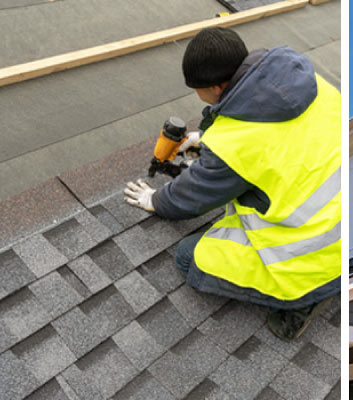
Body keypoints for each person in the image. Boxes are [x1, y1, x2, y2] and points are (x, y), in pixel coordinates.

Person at [124, 27, 340, 341]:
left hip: (311, 252)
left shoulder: (236, 146)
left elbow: (189, 198)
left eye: (197, 89)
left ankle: (301, 300)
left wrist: (154, 200)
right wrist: (206, 142)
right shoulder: (308, 84)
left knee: (188, 257)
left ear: (215, 87)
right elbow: (277, 139)